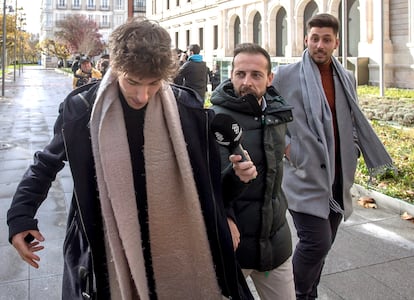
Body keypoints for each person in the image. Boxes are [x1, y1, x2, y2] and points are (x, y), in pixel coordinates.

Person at [7, 19, 256, 300]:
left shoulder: (188, 109)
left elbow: (206, 182)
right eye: (133, 82)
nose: (142, 95)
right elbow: (46, 164)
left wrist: (229, 208)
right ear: (114, 67)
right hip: (105, 248)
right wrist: (20, 215)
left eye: (153, 84)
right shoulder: (81, 110)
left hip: (174, 247)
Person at [272, 13, 394, 300]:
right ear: (306, 40)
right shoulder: (285, 75)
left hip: (338, 176)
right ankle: (296, 294)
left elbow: (351, 119)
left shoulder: (346, 76)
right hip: (303, 176)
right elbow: (271, 118)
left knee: (324, 245)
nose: (319, 45)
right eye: (314, 38)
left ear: (335, 43)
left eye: (326, 40)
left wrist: (352, 146)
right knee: (316, 242)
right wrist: (290, 151)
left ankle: (309, 293)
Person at [210, 43, 296, 300]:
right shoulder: (214, 119)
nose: (247, 81)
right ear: (231, 75)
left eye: (256, 75)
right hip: (234, 247)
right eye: (240, 74)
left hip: (276, 244)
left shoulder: (277, 115)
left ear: (270, 79)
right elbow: (205, 182)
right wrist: (225, 216)